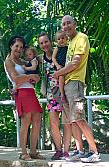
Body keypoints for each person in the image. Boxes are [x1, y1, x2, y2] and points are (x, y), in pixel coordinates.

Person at [54, 15, 100, 163]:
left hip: (75, 83)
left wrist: (57, 73)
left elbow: (75, 64)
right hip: (66, 85)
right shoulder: (70, 41)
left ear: (74, 24)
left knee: (79, 118)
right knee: (72, 121)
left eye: (68, 23)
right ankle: (80, 150)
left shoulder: (81, 38)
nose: (66, 26)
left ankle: (94, 151)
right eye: (63, 24)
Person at [38, 32, 83, 160]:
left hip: (65, 91)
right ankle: (58, 149)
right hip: (51, 95)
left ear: (51, 41)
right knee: (53, 123)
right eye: (41, 43)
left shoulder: (63, 52)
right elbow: (27, 60)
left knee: (68, 122)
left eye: (46, 41)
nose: (44, 45)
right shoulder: (41, 58)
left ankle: (66, 150)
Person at [4, 35, 44, 161]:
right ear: (11, 46)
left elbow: (35, 76)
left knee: (37, 119)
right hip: (21, 92)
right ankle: (23, 152)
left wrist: (32, 77)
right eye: (16, 46)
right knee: (26, 121)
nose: (19, 49)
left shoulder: (23, 61)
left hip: (31, 91)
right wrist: (30, 77)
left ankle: (33, 151)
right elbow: (15, 78)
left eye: (21, 47)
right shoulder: (8, 61)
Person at [52, 30, 68, 102]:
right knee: (61, 77)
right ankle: (62, 94)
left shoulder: (68, 48)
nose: (61, 40)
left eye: (63, 38)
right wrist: (57, 65)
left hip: (67, 67)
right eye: (59, 39)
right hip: (60, 67)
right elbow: (53, 58)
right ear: (56, 41)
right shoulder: (57, 49)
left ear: (66, 39)